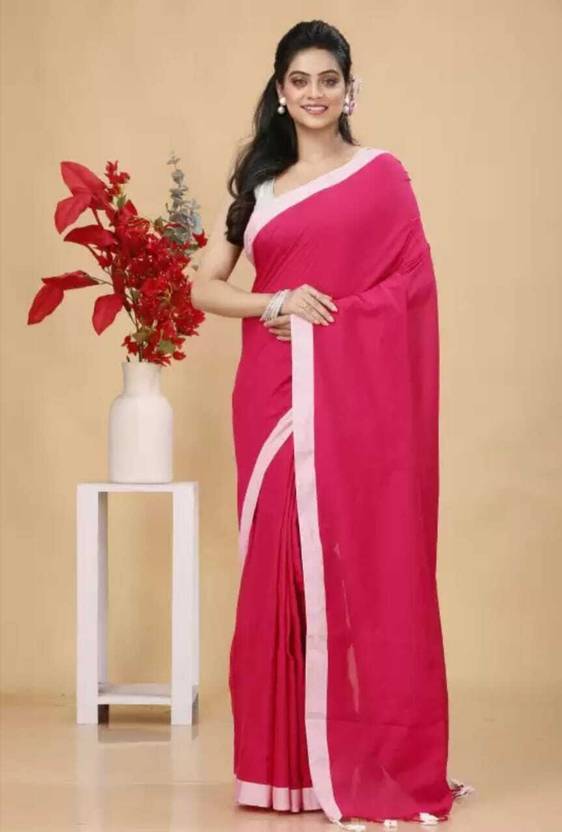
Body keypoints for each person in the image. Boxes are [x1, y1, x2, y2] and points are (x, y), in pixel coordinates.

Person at [191, 19, 474, 831]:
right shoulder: (260, 188)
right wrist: (272, 301)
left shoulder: (382, 177)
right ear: (280, 92)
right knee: (278, 566)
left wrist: (335, 325)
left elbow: (412, 288)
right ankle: (283, 769)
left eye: (328, 79)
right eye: (299, 80)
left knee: (355, 560)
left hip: (349, 392)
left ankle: (356, 754)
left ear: (350, 90)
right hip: (272, 393)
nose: (314, 93)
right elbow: (203, 288)